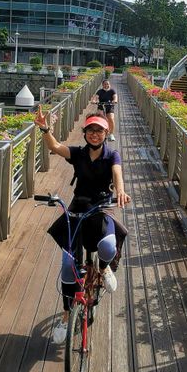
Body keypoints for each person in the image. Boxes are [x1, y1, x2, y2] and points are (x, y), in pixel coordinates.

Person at [33, 105, 131, 345]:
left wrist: (120, 190)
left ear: (106, 133)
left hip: (101, 206)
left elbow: (117, 173)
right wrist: (45, 128)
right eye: (90, 130)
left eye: (99, 130)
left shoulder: (112, 155)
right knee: (68, 265)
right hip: (78, 207)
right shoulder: (77, 153)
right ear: (85, 133)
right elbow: (55, 147)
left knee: (108, 247)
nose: (94, 134)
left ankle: (105, 268)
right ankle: (66, 316)